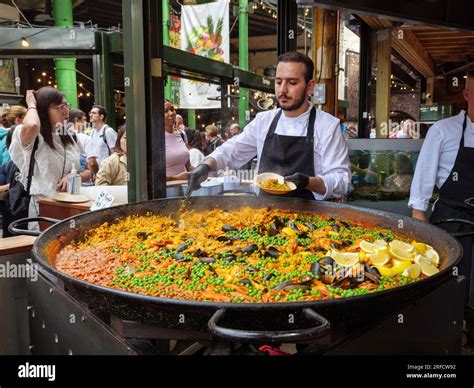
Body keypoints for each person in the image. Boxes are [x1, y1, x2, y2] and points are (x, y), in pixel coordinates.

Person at [186, 51, 351, 200]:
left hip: (313, 220)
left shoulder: (327, 126)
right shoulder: (263, 120)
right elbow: (232, 150)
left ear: (309, 87)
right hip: (265, 214)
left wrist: (309, 182)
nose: (283, 90)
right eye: (278, 82)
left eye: (292, 83)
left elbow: (342, 180)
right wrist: (206, 165)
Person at [409, 70, 474, 310]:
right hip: (451, 220)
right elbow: (424, 174)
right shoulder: (444, 130)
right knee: (452, 283)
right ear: (467, 94)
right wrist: (418, 216)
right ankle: (455, 328)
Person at [9, 87, 89, 227]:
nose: (66, 110)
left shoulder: (70, 135)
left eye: (66, 105)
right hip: (43, 211)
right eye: (59, 107)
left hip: (72, 210)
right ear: (43, 109)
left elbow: (87, 170)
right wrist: (32, 105)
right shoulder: (33, 136)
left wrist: (74, 176)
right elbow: (33, 124)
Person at [164, 101, 192, 181]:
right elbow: (152, 174)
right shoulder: (155, 138)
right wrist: (176, 178)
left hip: (184, 189)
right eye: (166, 111)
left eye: (172, 109)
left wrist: (202, 170)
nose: (172, 113)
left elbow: (188, 166)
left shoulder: (182, 134)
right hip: (166, 190)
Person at [68, 109, 97, 176]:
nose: (86, 123)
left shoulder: (61, 136)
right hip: (85, 179)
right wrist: (96, 174)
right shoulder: (86, 138)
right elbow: (92, 162)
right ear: (77, 120)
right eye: (84, 120)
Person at [89, 104, 117, 173]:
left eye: (94, 113)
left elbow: (115, 153)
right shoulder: (92, 132)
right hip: (96, 172)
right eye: (90, 113)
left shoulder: (108, 131)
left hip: (107, 172)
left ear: (101, 116)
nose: (90, 115)